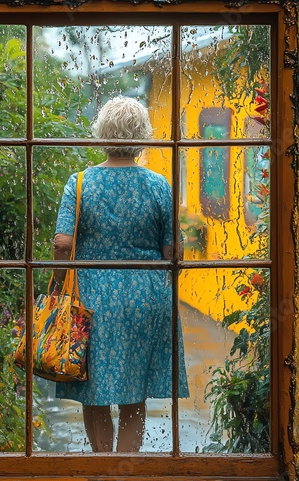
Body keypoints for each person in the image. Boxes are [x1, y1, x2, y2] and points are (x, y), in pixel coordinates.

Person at [53, 96, 189, 453]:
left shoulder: (80, 182)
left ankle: (103, 468)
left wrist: (55, 283)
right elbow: (171, 251)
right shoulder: (159, 185)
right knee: (134, 390)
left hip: (92, 297)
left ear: (101, 134)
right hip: (145, 298)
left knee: (94, 390)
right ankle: (127, 472)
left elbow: (64, 242)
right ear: (141, 136)